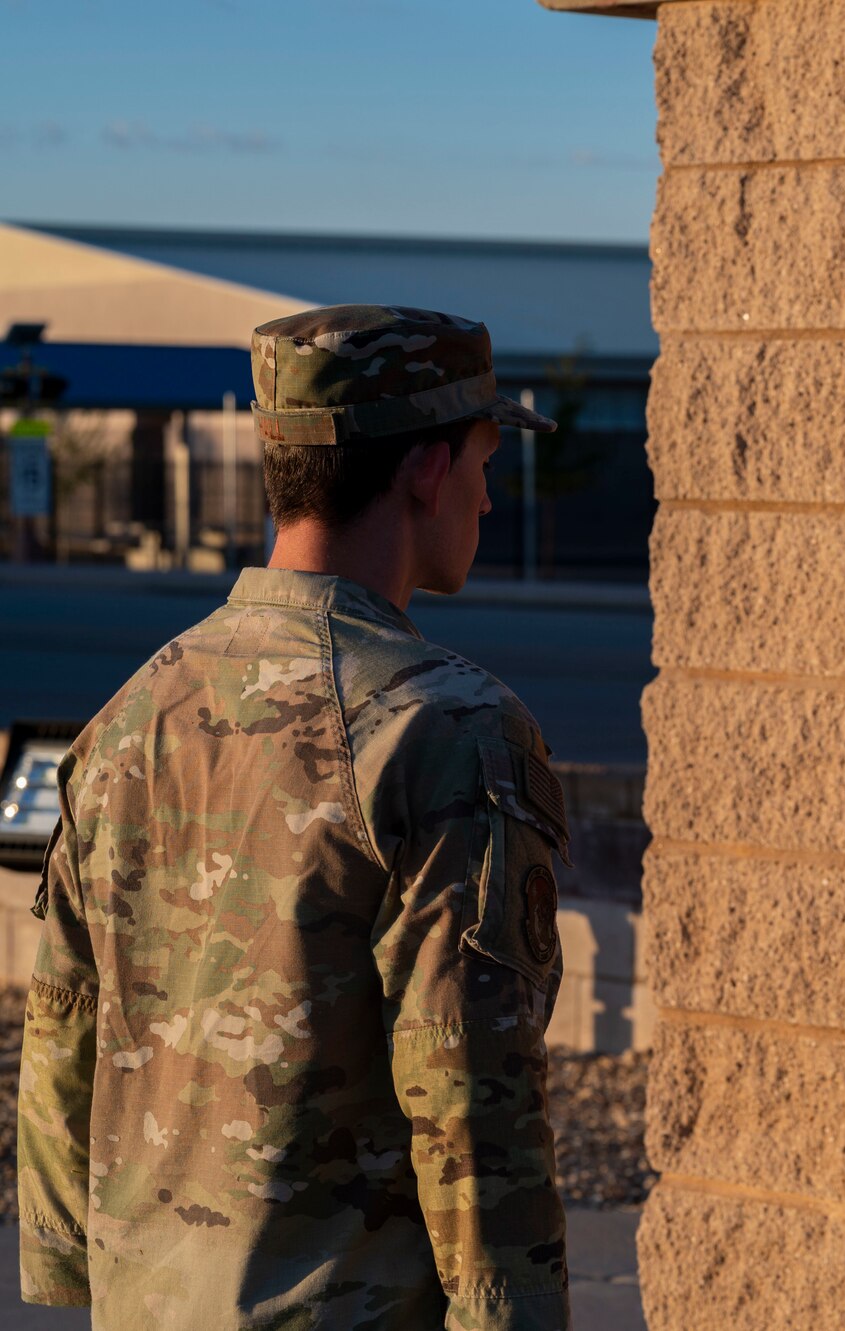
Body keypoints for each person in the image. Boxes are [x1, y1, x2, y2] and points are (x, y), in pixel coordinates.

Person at [16, 305, 572, 1328]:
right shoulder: (443, 726)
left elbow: (66, 1018)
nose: (490, 499)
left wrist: (68, 1263)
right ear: (425, 469)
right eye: (486, 460)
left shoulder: (134, 711)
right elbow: (468, 1083)